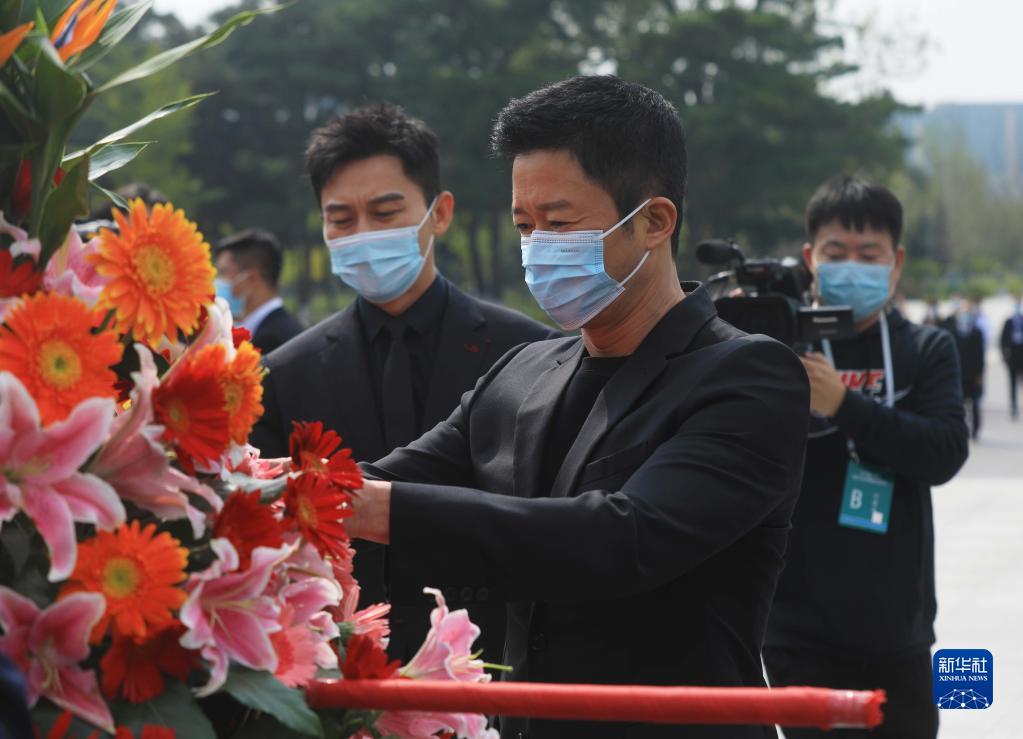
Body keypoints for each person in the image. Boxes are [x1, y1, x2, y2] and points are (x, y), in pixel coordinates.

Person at [345, 75, 810, 739]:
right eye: (524, 226)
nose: (538, 247)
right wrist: (263, 488)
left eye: (560, 224)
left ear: (654, 221)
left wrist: (377, 507)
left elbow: (622, 539)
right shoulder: (523, 372)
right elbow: (380, 479)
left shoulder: (746, 377)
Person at [250, 102, 558, 662]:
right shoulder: (284, 373)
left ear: (439, 213)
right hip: (341, 663)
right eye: (342, 219)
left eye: (386, 212)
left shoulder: (530, 353)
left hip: (492, 660)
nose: (363, 233)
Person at [764, 175, 970, 739]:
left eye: (868, 253)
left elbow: (945, 452)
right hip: (797, 628)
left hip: (898, 629)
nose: (852, 266)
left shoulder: (926, 348)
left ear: (895, 262)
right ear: (811, 258)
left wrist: (845, 405)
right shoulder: (775, 351)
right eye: (836, 253)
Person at [214, 229, 304, 355]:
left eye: (224, 272)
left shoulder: (276, 341)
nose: (216, 281)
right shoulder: (259, 330)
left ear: (252, 278)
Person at [943, 300, 985, 440]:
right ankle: (961, 430)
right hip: (958, 374)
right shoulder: (952, 332)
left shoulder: (977, 332)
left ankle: (975, 429)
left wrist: (980, 374)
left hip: (973, 375)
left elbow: (980, 355)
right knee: (958, 405)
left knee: (975, 404)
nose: (965, 315)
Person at [1000, 296, 1023, 419]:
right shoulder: (1008, 322)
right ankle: (1014, 407)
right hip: (1013, 357)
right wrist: (1004, 356)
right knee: (1012, 384)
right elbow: (1002, 340)